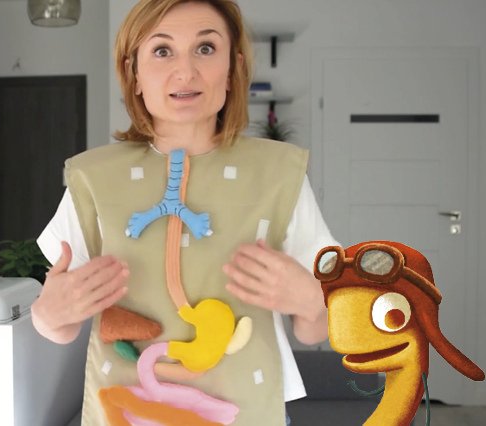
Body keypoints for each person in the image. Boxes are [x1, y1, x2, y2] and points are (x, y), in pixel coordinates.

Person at [33, 0, 338, 424]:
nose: (185, 71)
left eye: (205, 48)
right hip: (127, 409)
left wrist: (311, 299)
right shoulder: (93, 179)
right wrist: (46, 314)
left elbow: (315, 326)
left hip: (248, 410)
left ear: (232, 69)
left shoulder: (279, 175)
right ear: (134, 74)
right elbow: (59, 325)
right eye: (162, 50)